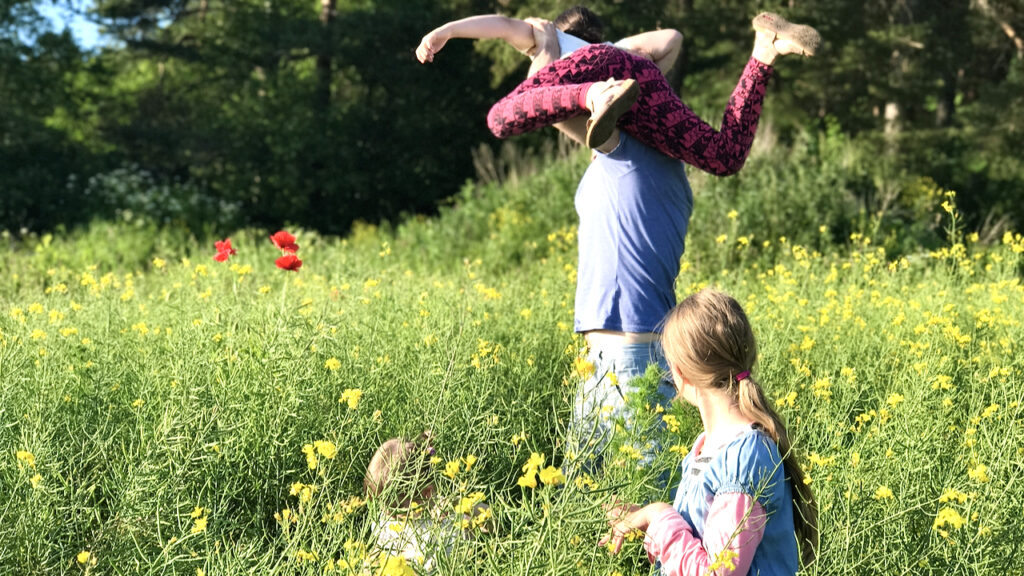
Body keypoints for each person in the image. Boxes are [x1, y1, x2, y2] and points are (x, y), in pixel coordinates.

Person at [417, 8, 820, 175]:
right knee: (724, 156)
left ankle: (594, 96)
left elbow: (503, 25)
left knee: (499, 119)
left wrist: (445, 31)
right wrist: (643, 80)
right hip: (639, 78)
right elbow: (670, 38)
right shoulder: (618, 49)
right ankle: (764, 52)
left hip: (593, 83)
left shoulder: (547, 37)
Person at [599, 289, 818, 576]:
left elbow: (716, 572)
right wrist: (645, 519)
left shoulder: (745, 459)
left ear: (679, 372)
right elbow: (699, 542)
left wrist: (659, 515)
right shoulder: (706, 448)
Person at [364, 434, 491, 570]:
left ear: (427, 493)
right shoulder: (385, 520)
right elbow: (378, 550)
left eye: (397, 507)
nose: (388, 512)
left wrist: (460, 504)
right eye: (382, 504)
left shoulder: (449, 523)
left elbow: (492, 520)